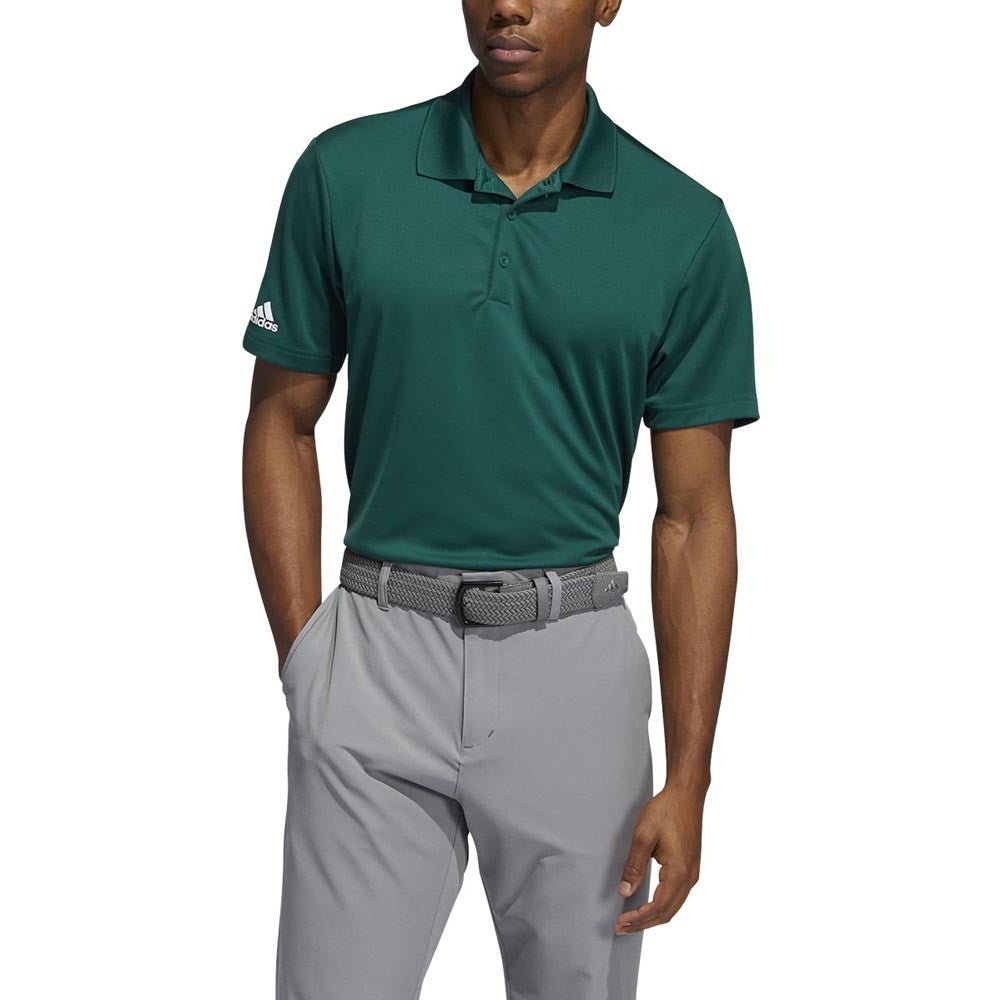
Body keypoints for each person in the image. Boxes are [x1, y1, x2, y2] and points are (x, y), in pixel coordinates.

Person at [241, 2, 758, 997]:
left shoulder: (682, 225)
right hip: (376, 654)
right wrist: (307, 655)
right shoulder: (345, 174)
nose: (506, 4)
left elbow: (693, 515)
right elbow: (281, 421)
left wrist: (689, 774)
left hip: (573, 672)